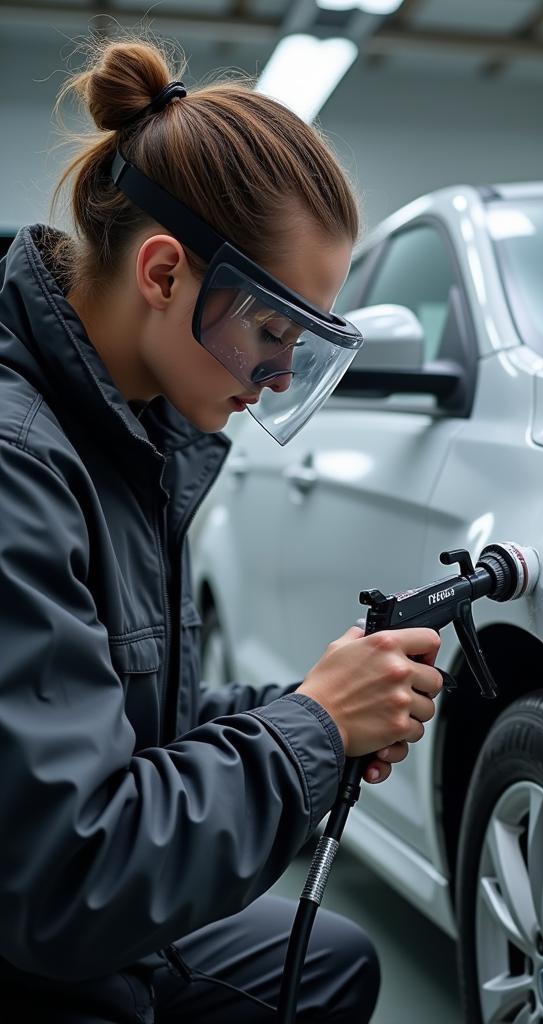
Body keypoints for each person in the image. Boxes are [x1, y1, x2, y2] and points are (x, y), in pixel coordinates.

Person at [0, 35, 445, 1023]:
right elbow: (65, 878)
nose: (281, 375)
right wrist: (315, 729)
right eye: (271, 332)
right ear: (163, 273)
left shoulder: (125, 430)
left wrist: (317, 703)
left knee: (329, 960)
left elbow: (127, 722)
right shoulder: (20, 464)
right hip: (37, 933)